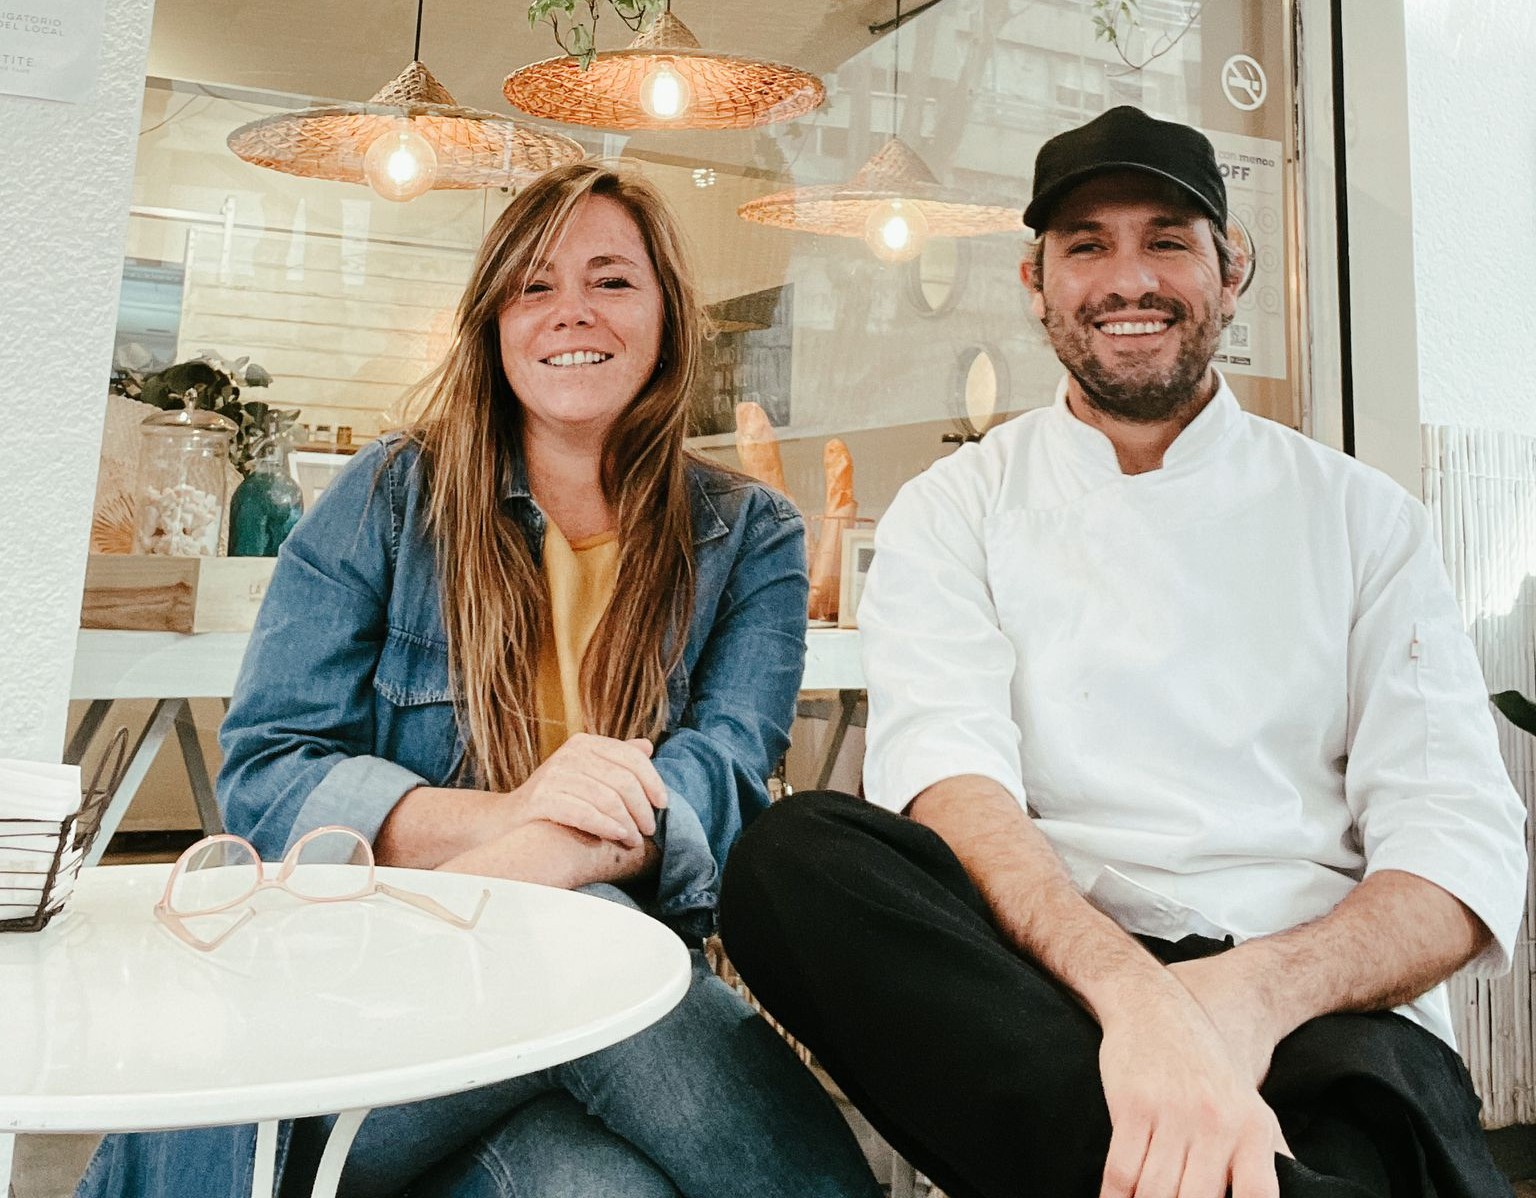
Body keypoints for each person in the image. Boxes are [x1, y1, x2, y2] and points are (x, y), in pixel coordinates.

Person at [718, 106, 1527, 1198]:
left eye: (1167, 240)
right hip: (1054, 997)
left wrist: (1240, 999)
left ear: (1231, 269)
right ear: (1035, 281)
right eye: (1087, 246)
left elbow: (1454, 855)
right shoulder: (959, 507)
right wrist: (1136, 1004)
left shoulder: (1361, 517)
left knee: (1357, 1114)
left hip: (1311, 1007)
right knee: (789, 859)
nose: (1126, 279)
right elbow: (955, 790)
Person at [78, 162, 881, 1198]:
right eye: (534, 285)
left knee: (600, 1185)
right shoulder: (389, 496)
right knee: (613, 955)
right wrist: (518, 814)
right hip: (374, 1002)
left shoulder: (747, 535)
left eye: (612, 281)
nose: (571, 313)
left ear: (671, 319)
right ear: (494, 321)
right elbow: (271, 772)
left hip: (557, 1026)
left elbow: (723, 779)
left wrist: (537, 867)